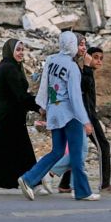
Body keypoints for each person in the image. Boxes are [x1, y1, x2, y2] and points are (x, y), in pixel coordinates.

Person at [18, 31, 100, 201]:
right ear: (72, 45)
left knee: (57, 151)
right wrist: (85, 121)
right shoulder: (72, 68)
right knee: (77, 155)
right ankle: (83, 191)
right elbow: (75, 98)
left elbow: (45, 84)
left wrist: (43, 106)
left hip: (54, 112)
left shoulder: (52, 60)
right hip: (70, 115)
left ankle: (28, 179)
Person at [0, 39, 42, 190]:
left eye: (22, 50)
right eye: (18, 50)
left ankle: (33, 183)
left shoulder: (1, 67)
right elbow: (20, 95)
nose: (21, 53)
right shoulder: (10, 68)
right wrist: (39, 107)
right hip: (11, 115)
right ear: (10, 51)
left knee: (22, 149)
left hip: (8, 114)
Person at [57, 46, 111, 194]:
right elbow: (82, 89)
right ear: (87, 57)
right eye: (96, 57)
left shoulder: (87, 72)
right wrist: (86, 67)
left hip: (87, 115)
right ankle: (105, 185)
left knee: (77, 150)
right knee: (103, 146)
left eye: (101, 58)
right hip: (86, 117)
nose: (99, 61)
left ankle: (65, 184)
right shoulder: (82, 72)